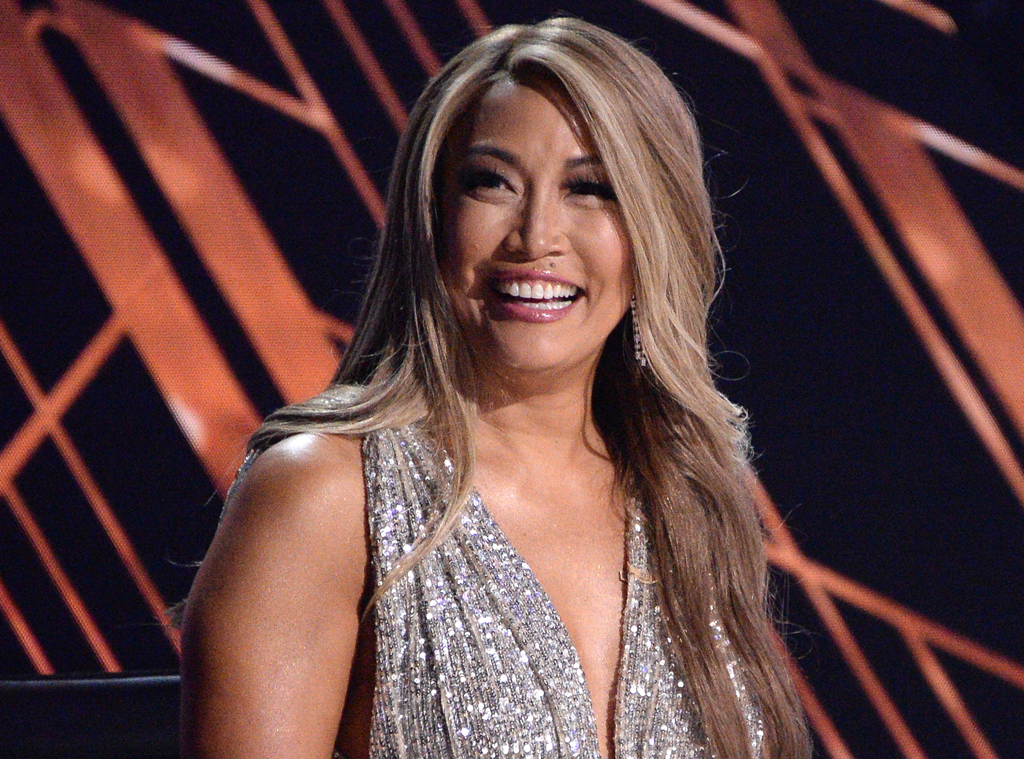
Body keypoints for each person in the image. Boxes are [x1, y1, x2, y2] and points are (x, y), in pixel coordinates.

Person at [179, 16, 810, 759]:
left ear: (654, 230)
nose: (536, 235)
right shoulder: (324, 494)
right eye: (491, 183)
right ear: (433, 218)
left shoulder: (695, 494)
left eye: (591, 188)